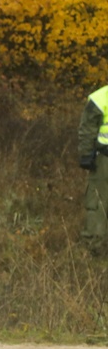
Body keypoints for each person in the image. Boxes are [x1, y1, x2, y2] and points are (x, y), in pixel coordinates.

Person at [77, 84, 108, 253]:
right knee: (98, 201)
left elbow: (87, 128)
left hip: (104, 158)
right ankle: (94, 247)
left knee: (97, 201)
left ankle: (94, 246)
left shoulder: (100, 97)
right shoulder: (100, 98)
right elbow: (87, 128)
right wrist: (87, 155)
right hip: (104, 158)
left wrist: (86, 154)